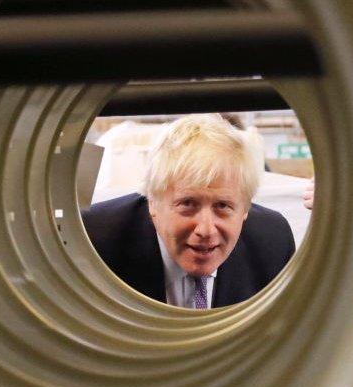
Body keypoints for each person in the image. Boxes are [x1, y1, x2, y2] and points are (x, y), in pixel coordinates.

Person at [81, 114, 295, 308]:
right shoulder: (92, 242)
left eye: (222, 206)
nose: (206, 230)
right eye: (188, 204)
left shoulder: (273, 243)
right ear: (152, 202)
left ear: (245, 208)